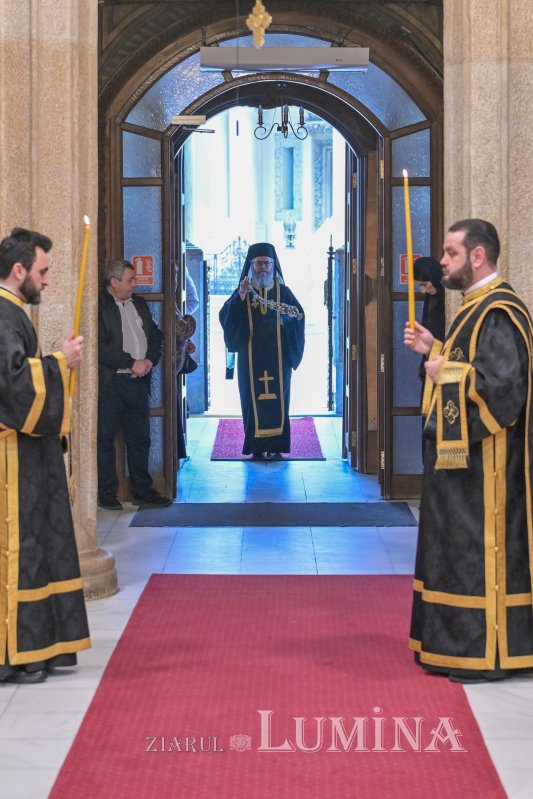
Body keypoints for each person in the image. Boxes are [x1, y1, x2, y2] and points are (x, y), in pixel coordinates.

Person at [404, 218, 533, 683]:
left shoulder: (498, 311)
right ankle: (452, 642)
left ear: (477, 256)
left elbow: (500, 392)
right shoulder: (474, 308)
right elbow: (466, 367)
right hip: (463, 471)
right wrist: (434, 348)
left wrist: (442, 371)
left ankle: (481, 648)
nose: (441, 261)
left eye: (450, 252)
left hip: (488, 474)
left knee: (475, 553)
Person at [0, 227, 90, 684]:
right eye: (43, 271)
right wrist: (60, 361)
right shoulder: (2, 314)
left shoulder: (13, 312)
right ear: (20, 271)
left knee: (38, 545)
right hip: (12, 460)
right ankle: (20, 652)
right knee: (24, 549)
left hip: (28, 454)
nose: (48, 281)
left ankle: (37, 647)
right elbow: (14, 386)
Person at [219, 242, 305, 459]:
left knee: (280, 402)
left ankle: (276, 447)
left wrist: (287, 323)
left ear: (274, 265)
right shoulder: (243, 292)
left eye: (267, 263)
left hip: (279, 359)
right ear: (251, 265)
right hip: (250, 359)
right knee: (251, 401)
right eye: (259, 263)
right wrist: (240, 296)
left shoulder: (284, 293)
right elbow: (226, 317)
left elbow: (299, 317)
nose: (263, 268)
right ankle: (256, 448)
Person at [98, 259, 171, 509]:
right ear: (114, 282)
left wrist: (149, 360)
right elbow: (101, 347)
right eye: (130, 280)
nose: (135, 284)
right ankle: (107, 494)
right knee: (105, 438)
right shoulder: (99, 306)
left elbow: (155, 335)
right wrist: (132, 362)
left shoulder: (138, 304)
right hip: (111, 384)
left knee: (140, 438)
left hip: (138, 383)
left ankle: (143, 490)